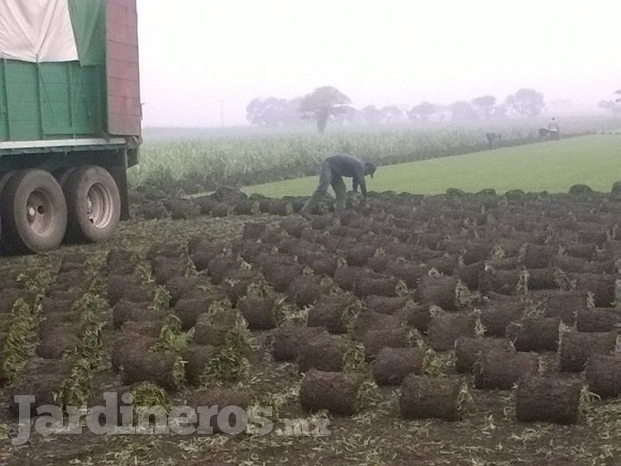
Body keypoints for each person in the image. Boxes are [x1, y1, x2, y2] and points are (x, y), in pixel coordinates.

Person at [300, 154, 376, 219]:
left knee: (341, 190)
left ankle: (339, 214)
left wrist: (355, 192)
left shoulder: (358, 169)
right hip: (329, 165)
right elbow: (362, 183)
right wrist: (365, 197)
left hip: (336, 171)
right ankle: (305, 210)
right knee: (323, 187)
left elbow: (355, 183)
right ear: (367, 167)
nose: (366, 175)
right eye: (368, 173)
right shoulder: (360, 166)